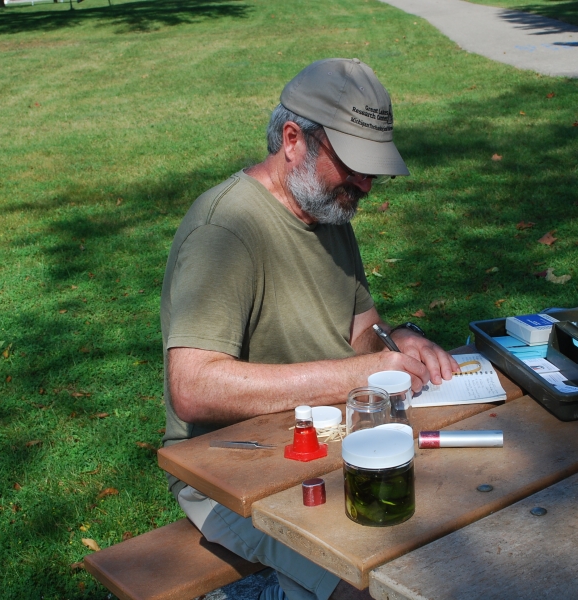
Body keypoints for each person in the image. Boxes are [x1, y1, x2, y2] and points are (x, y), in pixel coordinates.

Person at [160, 58, 458, 600]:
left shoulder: (327, 208)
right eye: (353, 164)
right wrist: (358, 376)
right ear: (293, 140)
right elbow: (192, 387)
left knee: (452, 534)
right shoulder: (225, 230)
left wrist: (398, 340)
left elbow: (360, 333)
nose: (366, 184)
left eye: (374, 168)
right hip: (235, 475)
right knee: (372, 584)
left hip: (331, 441)